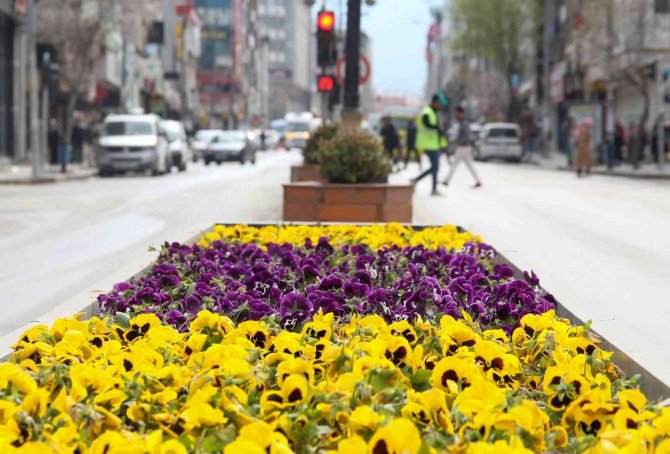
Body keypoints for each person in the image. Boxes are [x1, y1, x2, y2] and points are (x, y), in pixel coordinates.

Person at [411, 94, 445, 195]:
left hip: (433, 144)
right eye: (440, 103)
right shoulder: (427, 112)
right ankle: (416, 181)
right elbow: (427, 124)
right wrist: (437, 128)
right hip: (428, 144)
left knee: (435, 167)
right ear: (435, 102)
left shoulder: (433, 112)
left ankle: (433, 188)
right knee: (435, 167)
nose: (441, 106)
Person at [442, 106, 482, 188]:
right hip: (463, 147)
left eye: (457, 113)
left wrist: (455, 142)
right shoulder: (460, 123)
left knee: (455, 165)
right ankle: (478, 181)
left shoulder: (464, 123)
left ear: (461, 113)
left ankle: (446, 180)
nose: (455, 115)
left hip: (463, 148)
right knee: (468, 166)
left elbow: (465, 137)